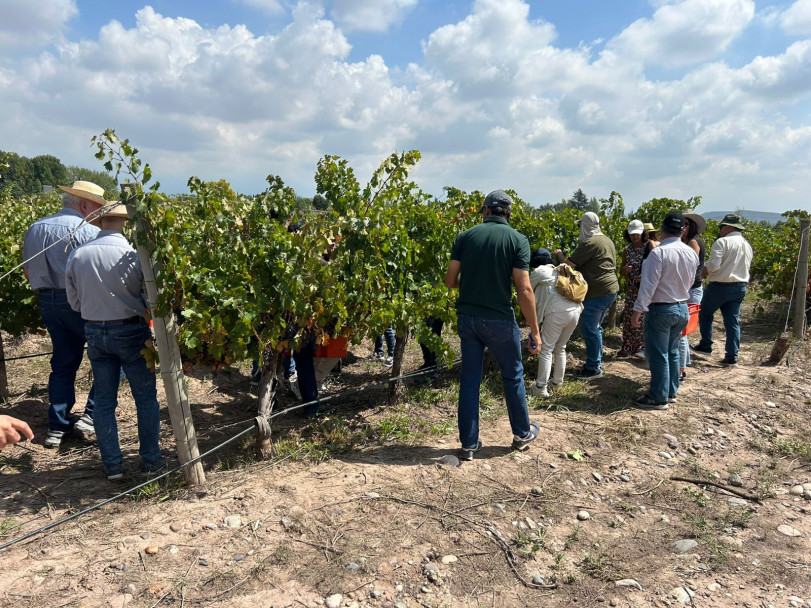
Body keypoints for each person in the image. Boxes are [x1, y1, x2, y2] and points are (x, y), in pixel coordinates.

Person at [65, 202, 164, 480]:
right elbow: (150, 301)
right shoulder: (134, 256)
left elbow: (74, 303)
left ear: (99, 223)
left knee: (105, 401)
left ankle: (112, 466)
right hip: (132, 332)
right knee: (145, 399)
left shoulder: (77, 255)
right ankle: (151, 461)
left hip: (95, 332)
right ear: (125, 223)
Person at [444, 190, 541, 461]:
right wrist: (534, 330)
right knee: (512, 375)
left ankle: (469, 445)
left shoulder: (465, 236)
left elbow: (450, 281)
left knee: (470, 380)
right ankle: (522, 434)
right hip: (499, 318)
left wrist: (473, 283)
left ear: (485, 210)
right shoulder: (518, 240)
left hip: (468, 318)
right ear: (508, 214)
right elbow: (524, 289)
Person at [22, 180, 107, 448]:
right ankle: (91, 416)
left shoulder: (35, 228)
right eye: (97, 207)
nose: (99, 214)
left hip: (47, 302)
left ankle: (57, 427)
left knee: (62, 363)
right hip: (80, 303)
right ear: (84, 204)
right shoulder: (87, 230)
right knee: (108, 357)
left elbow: (27, 272)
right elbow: (97, 274)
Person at [631, 212, 699, 409]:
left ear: (662, 229)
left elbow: (648, 285)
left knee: (658, 353)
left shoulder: (658, 253)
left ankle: (658, 397)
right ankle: (671, 392)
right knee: (672, 351)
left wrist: (638, 310)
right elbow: (692, 281)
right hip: (682, 308)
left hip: (661, 309)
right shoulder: (690, 253)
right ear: (683, 230)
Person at [554, 212, 619, 379]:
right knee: (595, 327)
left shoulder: (590, 243)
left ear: (585, 225)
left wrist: (559, 255)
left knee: (589, 328)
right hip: (610, 289)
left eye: (580, 225)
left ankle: (593, 368)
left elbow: (567, 267)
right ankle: (595, 361)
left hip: (598, 291)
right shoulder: (606, 240)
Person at [691, 213, 753, 366]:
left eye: (721, 227)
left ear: (728, 227)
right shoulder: (747, 245)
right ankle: (732, 356)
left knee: (705, 313)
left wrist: (701, 271)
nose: (720, 230)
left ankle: (706, 345)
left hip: (719, 286)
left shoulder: (722, 242)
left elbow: (714, 265)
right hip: (740, 287)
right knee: (732, 321)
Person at [528, 248, 582, 397]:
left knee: (546, 349)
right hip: (575, 311)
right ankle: (557, 383)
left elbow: (526, 290)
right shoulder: (561, 270)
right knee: (560, 347)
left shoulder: (539, 271)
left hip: (556, 313)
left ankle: (540, 388)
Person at [677, 213, 707, 380]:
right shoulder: (686, 242)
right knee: (683, 329)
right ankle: (685, 361)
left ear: (692, 226)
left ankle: (682, 367)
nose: (683, 227)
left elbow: (691, 265)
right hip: (689, 289)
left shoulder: (693, 242)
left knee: (683, 329)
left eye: (686, 224)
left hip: (691, 290)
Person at [617, 220, 652, 357]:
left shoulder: (649, 247)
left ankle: (642, 347)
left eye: (637, 234)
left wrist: (644, 276)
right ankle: (628, 346)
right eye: (632, 234)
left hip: (645, 289)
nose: (635, 237)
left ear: (643, 233)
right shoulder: (627, 250)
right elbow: (621, 271)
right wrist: (625, 270)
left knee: (642, 317)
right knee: (629, 317)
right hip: (632, 289)